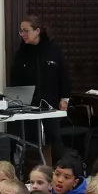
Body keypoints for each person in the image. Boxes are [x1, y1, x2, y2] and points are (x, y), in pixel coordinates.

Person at [10, 15, 71, 160]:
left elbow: (64, 75)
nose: (23, 34)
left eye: (26, 31)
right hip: (28, 105)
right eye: (21, 31)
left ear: (37, 31)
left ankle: (58, 169)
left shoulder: (53, 50)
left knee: (54, 137)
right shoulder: (21, 53)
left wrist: (65, 98)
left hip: (51, 103)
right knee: (29, 139)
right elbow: (15, 80)